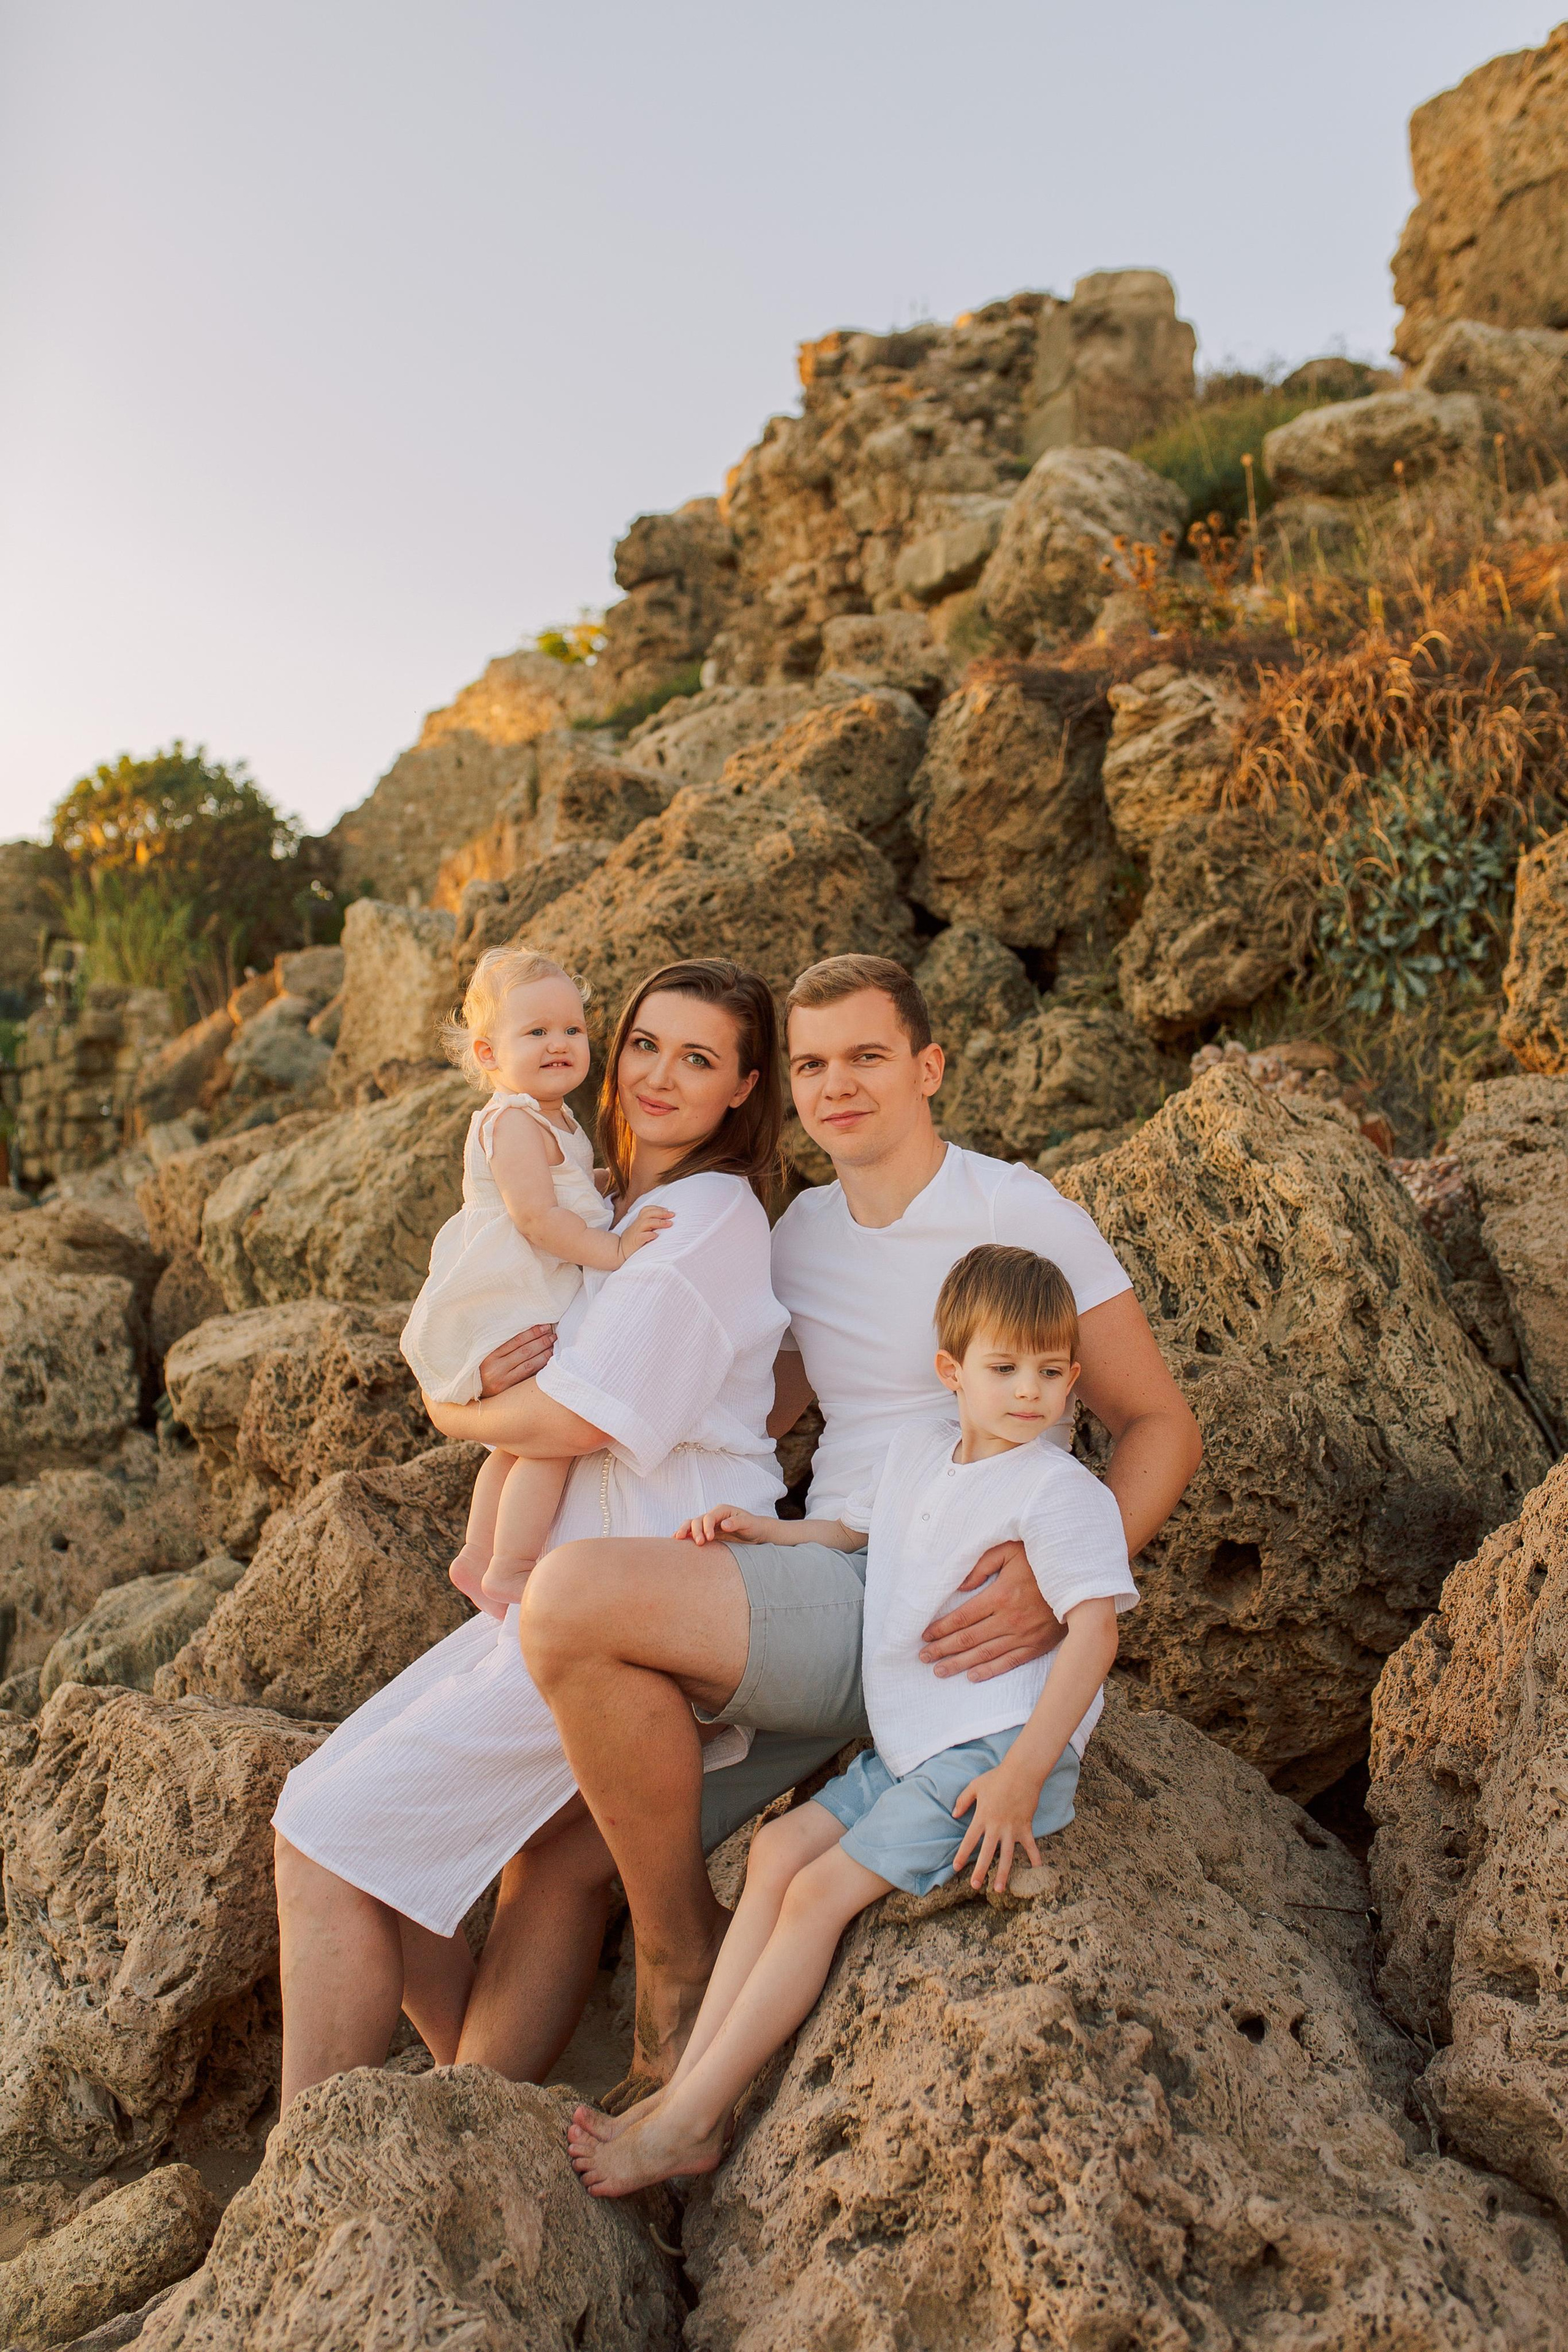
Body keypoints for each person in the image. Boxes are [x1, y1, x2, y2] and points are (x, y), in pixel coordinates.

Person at [518, 952, 1202, 2099]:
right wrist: (546, 1374)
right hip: (831, 1583)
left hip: (926, 1605)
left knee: (575, 1600)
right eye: (813, 1064)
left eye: (868, 1057)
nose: (837, 1086)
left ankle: (680, 1965)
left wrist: (1059, 1582)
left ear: (928, 1068)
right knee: (556, 1859)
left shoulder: (1018, 1212)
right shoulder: (799, 1234)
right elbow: (748, 1403)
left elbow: (1161, 1425)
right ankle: (461, 2124)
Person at [271, 959, 814, 2108]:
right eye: (645, 1044)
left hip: (636, 1600)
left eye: (700, 1059)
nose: (659, 1076)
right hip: (568, 1596)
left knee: (324, 1833)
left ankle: (309, 2166)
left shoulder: (702, 1217)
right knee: (525, 1867)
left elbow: (578, 1419)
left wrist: (451, 1413)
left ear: (743, 1089)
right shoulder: (601, 1205)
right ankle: (473, 2115)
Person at [567, 1242, 1138, 2196]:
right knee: (774, 1850)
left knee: (817, 1893)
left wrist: (1024, 1773)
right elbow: (859, 1532)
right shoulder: (920, 1451)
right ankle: (678, 2095)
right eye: (1004, 1369)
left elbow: (1095, 1633)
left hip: (993, 1749)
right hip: (917, 1740)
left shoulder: (1059, 1491)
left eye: (1049, 1373)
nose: (1028, 1393)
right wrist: (769, 1532)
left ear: (1072, 1380)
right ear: (952, 1371)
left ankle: (694, 2123)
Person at [400, 948, 671, 1614]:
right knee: (546, 1444)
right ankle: (512, 1568)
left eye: (572, 1029)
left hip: (529, 1288)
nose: (559, 1043)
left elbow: (569, 1189)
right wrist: (614, 1248)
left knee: (516, 1441)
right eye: (537, 1032)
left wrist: (617, 1183)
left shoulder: (556, 1117)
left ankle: (475, 1556)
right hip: (509, 1295)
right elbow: (538, 1218)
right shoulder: (513, 1121)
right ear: (488, 1054)